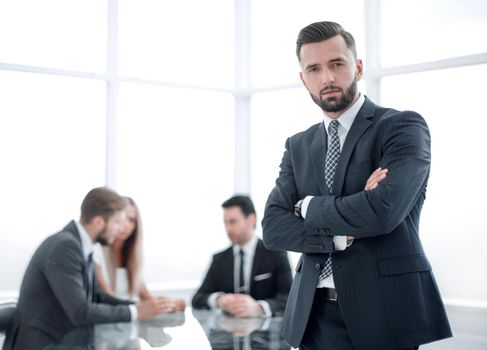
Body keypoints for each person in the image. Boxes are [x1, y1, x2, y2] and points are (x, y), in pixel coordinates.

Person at [262, 21, 452, 350]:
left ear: (358, 67)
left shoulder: (402, 127)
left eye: (337, 64)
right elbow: (274, 228)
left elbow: (382, 212)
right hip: (312, 315)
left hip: (383, 313)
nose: (328, 78)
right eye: (314, 68)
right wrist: (340, 233)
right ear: (303, 78)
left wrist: (306, 207)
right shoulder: (298, 145)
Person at [3, 187, 172, 350]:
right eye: (117, 222)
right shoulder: (65, 247)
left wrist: (139, 305)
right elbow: (80, 311)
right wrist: (135, 311)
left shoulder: (81, 246)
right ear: (99, 222)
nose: (120, 229)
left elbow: (98, 297)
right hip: (45, 344)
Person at [192, 195, 292, 317]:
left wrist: (259, 308)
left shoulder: (276, 253)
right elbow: (197, 298)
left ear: (251, 220)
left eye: (233, 222)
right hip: (229, 332)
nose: (228, 229)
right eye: (225, 223)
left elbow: (289, 297)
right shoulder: (219, 260)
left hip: (266, 332)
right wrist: (219, 300)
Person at [94, 196, 186, 311]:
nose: (125, 225)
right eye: (121, 218)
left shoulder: (132, 259)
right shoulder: (97, 252)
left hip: (126, 323)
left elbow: (147, 299)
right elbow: (109, 300)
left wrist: (169, 303)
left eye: (131, 220)